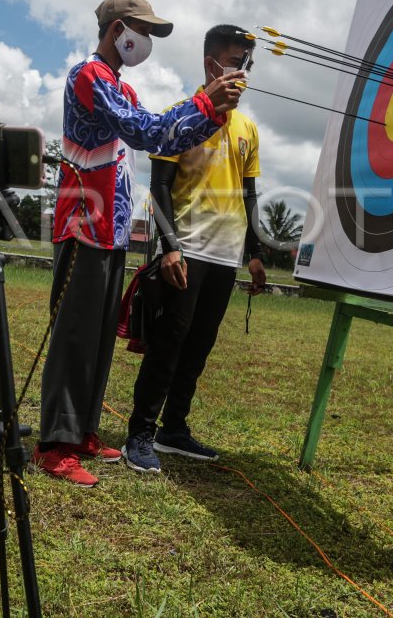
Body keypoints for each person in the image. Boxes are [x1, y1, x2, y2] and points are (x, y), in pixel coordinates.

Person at [33, 0, 246, 487]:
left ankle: (81, 431)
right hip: (83, 225)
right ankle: (53, 445)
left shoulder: (120, 87)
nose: (146, 43)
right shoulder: (90, 77)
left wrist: (210, 113)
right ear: (119, 29)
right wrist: (203, 101)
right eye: (143, 33)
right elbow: (141, 130)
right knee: (73, 337)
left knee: (99, 335)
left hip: (110, 232)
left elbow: (163, 137)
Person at [122, 25, 266, 474]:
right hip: (184, 251)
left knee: (199, 346)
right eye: (236, 62)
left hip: (225, 256)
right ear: (211, 65)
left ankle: (174, 430)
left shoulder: (248, 128)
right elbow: (159, 186)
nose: (243, 72)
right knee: (169, 344)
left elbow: (250, 194)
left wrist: (256, 252)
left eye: (248, 64)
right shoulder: (178, 117)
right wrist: (168, 248)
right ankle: (139, 435)